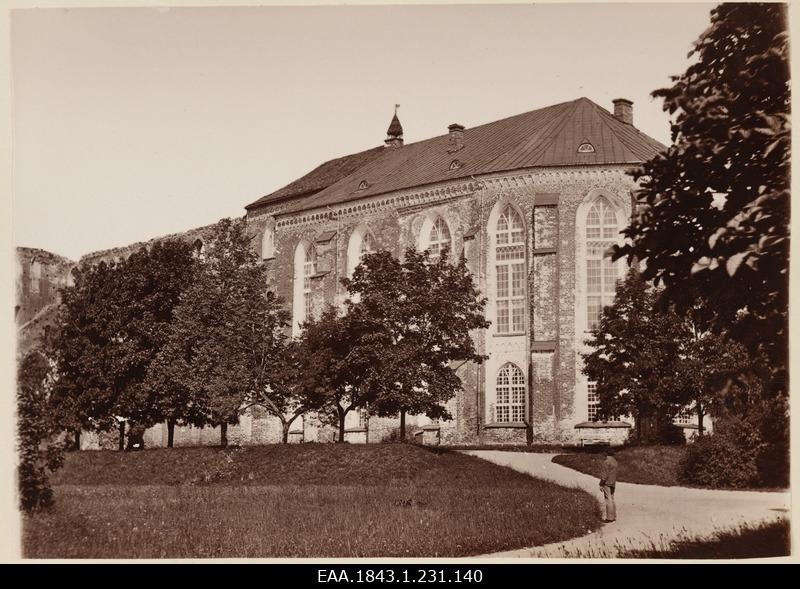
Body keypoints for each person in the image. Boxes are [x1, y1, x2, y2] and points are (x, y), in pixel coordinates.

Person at [599, 446, 618, 522]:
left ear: (606, 453)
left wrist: (601, 483)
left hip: (607, 482)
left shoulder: (606, 462)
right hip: (613, 482)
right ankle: (614, 516)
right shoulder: (615, 461)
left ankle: (609, 518)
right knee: (612, 499)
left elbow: (604, 475)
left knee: (608, 499)